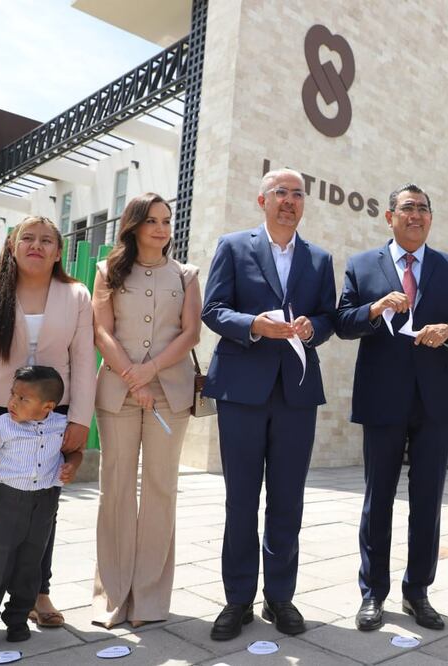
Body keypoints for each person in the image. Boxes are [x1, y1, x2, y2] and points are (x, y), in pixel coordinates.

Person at [0, 216, 95, 650]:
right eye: (27, 237)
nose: (37, 245)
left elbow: (84, 359)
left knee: (43, 505)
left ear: (59, 251)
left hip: (53, 414)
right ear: (12, 245)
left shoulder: (76, 295)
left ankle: (36, 594)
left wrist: (80, 417)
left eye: (47, 240)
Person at [201, 168, 337, 640]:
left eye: (297, 194)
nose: (289, 201)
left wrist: (311, 328)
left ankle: (280, 597)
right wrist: (254, 324)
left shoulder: (319, 259)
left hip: (296, 392)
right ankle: (237, 599)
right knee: (241, 499)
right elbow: (213, 309)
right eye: (281, 192)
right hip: (241, 390)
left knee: (287, 499)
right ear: (262, 200)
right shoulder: (233, 246)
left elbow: (327, 316)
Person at [335, 183, 448, 632]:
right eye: (407, 208)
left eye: (423, 209)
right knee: (378, 499)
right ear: (389, 216)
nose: (416, 215)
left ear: (431, 218)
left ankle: (418, 592)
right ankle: (373, 593)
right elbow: (342, 322)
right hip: (382, 397)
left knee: (428, 499)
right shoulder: (361, 265)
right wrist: (375, 308)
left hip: (435, 399)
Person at [91, 193, 202, 628]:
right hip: (118, 392)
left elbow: (191, 333)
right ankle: (113, 597)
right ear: (133, 225)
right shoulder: (107, 271)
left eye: (166, 220)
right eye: (151, 220)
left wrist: (150, 371)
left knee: (160, 490)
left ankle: (152, 601)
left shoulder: (187, 274)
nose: (161, 228)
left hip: (170, 395)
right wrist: (132, 377)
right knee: (115, 490)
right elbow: (102, 330)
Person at [0, 367, 83, 657]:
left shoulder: (61, 426)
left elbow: (75, 452)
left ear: (48, 407)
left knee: (30, 564)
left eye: (23, 398)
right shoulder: (2, 426)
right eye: (13, 394)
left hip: (44, 503)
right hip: (6, 501)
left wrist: (72, 466)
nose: (13, 402)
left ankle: (17, 619)